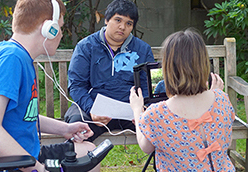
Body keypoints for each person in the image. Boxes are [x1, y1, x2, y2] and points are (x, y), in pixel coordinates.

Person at [0, 0, 99, 171]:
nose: (60, 34)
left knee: (89, 151)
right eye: (59, 27)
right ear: (48, 29)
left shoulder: (18, 56)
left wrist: (65, 129)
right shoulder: (12, 59)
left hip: (25, 156)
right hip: (7, 163)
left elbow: (23, 115)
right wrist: (36, 168)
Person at [130, 29, 235, 171]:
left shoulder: (157, 114)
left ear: (167, 68)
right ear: (203, 64)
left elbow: (146, 147)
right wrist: (214, 92)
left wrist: (137, 110)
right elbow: (224, 140)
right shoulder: (221, 99)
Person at [64, 0, 155, 142]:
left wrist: (142, 110)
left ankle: (163, 164)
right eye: (118, 20)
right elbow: (77, 86)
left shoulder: (142, 49)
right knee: (77, 129)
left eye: (128, 23)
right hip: (94, 107)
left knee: (160, 126)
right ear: (106, 20)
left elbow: (146, 87)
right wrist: (91, 109)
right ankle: (84, 163)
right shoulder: (86, 47)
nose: (122, 27)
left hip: (130, 112)